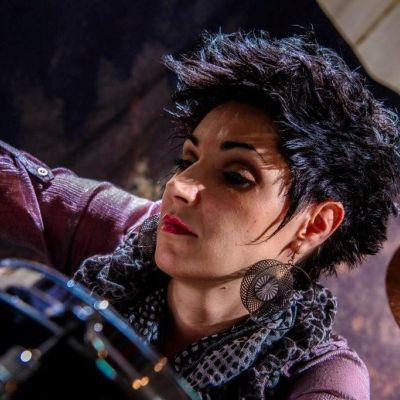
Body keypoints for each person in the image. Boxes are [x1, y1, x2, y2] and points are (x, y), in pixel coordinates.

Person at [1, 30, 399, 399]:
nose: (179, 186)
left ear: (314, 225)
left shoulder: (324, 376)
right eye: (187, 160)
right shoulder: (135, 235)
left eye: (235, 176)